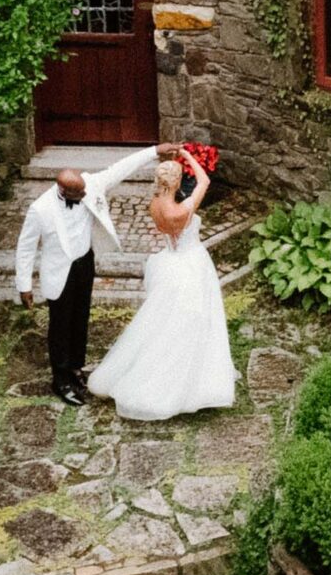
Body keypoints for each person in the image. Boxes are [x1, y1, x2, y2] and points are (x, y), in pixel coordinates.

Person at [16, 142, 183, 406]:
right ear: (64, 191)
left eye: (84, 190)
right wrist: (24, 285)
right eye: (79, 194)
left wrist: (155, 151)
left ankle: (76, 367)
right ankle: (60, 380)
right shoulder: (40, 209)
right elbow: (25, 247)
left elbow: (121, 168)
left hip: (85, 262)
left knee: (81, 317)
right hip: (59, 272)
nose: (85, 195)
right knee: (60, 326)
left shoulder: (90, 184)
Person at [87, 148, 237, 421]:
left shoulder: (155, 204)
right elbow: (204, 180)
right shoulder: (182, 210)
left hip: (169, 262)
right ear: (177, 181)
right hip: (191, 264)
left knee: (165, 318)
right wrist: (187, 155)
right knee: (196, 319)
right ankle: (188, 380)